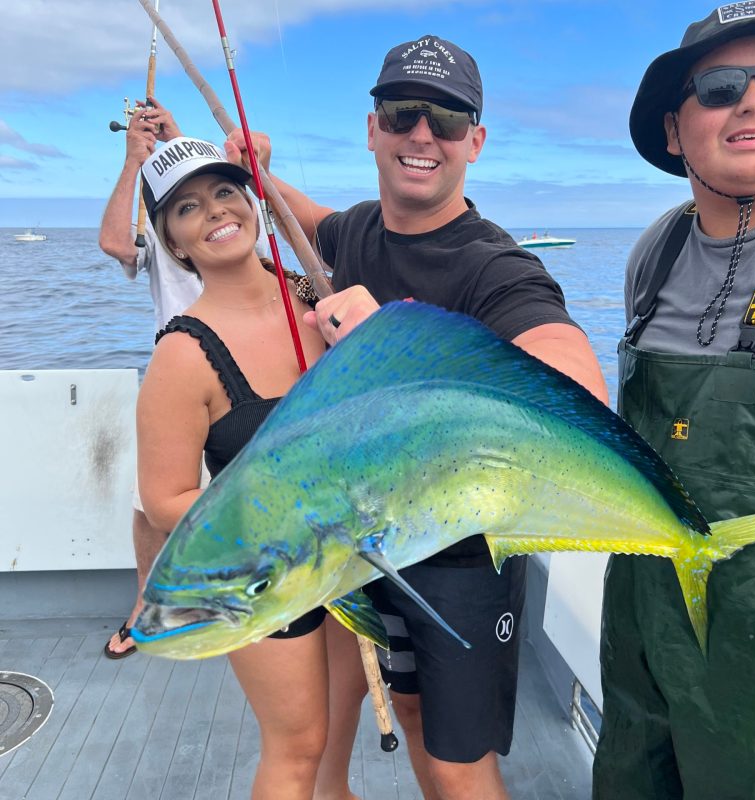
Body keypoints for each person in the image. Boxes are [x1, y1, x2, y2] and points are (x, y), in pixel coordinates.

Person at [228, 34, 607, 800]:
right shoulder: (359, 231)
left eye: (447, 115)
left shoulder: (496, 266)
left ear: (477, 139)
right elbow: (310, 222)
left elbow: (580, 391)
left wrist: (400, 346)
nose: (422, 133)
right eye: (403, 112)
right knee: (407, 707)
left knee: (455, 763)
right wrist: (255, 172)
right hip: (372, 546)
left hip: (462, 564)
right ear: (373, 128)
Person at [593, 4, 755, 798]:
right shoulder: (656, 249)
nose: (752, 101)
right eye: (718, 88)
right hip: (645, 629)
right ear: (675, 131)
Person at [137, 136, 330, 799]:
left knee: (338, 735)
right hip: (262, 576)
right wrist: (275, 514)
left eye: (225, 191)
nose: (215, 212)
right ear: (173, 241)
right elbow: (164, 498)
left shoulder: (316, 294)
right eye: (187, 208)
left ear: (251, 202)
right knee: (296, 747)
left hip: (348, 555)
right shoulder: (182, 355)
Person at [98, 97, 202, 658]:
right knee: (151, 501)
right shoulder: (163, 235)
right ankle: (146, 603)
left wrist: (177, 134)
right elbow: (116, 243)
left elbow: (210, 183)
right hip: (175, 380)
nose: (208, 213)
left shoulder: (245, 226)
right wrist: (135, 159)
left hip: (246, 383)